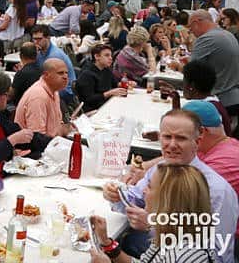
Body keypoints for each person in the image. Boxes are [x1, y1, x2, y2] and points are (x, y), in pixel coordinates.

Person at [102, 109, 237, 261]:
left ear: (197, 142)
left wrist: (153, 225)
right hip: (163, 252)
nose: (172, 145)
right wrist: (115, 195)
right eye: (167, 137)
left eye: (180, 138)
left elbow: (216, 253)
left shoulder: (216, 190)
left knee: (130, 242)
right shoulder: (158, 170)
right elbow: (134, 201)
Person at [91, 164, 217, 263]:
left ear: (167, 200)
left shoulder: (183, 256)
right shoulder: (171, 234)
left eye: (150, 187)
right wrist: (107, 243)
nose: (144, 191)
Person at [185, 10, 239, 119]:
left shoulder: (206, 39)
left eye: (191, 28)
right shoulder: (228, 35)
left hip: (217, 100)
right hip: (233, 97)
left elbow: (191, 73)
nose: (191, 32)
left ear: (196, 23)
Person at [13, 58, 72, 137]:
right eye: (60, 73)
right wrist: (63, 131)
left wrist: (65, 128)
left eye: (66, 73)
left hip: (52, 142)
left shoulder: (54, 91)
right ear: (46, 75)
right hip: (36, 147)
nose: (65, 77)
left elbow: (57, 123)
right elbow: (37, 137)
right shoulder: (38, 97)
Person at [74, 43, 126, 112]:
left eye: (111, 55)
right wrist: (109, 93)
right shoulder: (87, 74)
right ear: (97, 56)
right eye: (107, 55)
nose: (110, 58)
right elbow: (88, 99)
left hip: (107, 105)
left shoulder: (106, 69)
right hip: (94, 110)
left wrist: (125, 83)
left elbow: (115, 84)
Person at [30, 24, 76, 96]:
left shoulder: (54, 55)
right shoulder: (40, 52)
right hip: (53, 85)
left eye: (39, 39)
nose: (36, 42)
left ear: (48, 38)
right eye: (34, 39)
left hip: (64, 90)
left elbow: (52, 81)